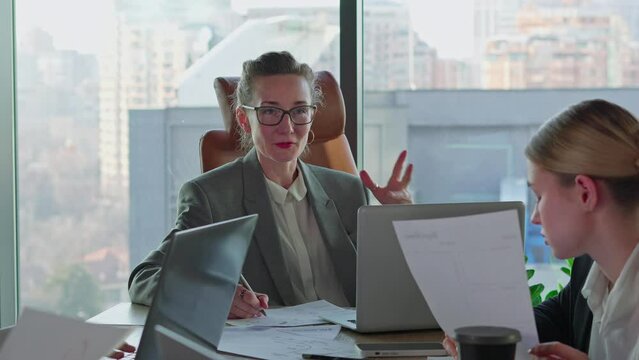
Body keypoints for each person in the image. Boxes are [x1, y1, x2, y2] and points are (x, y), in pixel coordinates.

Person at [128, 51, 413, 320]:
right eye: (269, 112)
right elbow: (144, 278)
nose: (287, 127)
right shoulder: (211, 197)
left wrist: (403, 226)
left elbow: (385, 286)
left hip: (355, 344)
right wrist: (213, 296)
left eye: (299, 111)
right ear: (244, 118)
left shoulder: (348, 191)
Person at [443, 99, 639, 359]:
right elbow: (557, 316)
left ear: (584, 193)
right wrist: (490, 337)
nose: (535, 217)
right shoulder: (591, 267)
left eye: (539, 196)